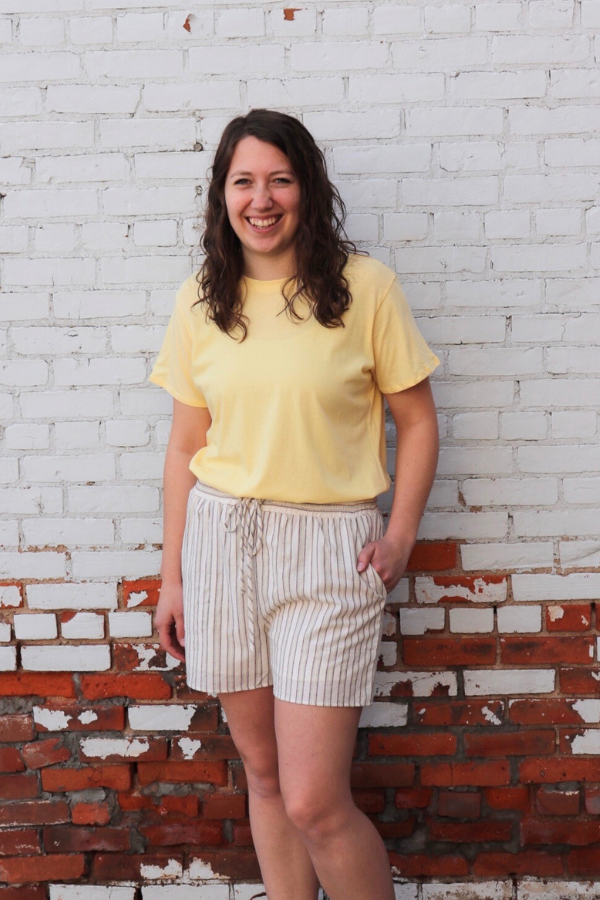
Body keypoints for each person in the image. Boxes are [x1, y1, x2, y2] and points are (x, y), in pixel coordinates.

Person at [148, 108, 440, 900]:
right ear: (223, 195)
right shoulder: (202, 302)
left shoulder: (364, 289)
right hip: (221, 542)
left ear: (307, 189)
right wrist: (173, 576)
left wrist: (402, 535)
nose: (262, 198)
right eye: (244, 181)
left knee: (316, 799)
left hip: (327, 550)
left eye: (280, 179)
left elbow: (415, 421)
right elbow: (184, 448)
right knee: (268, 777)